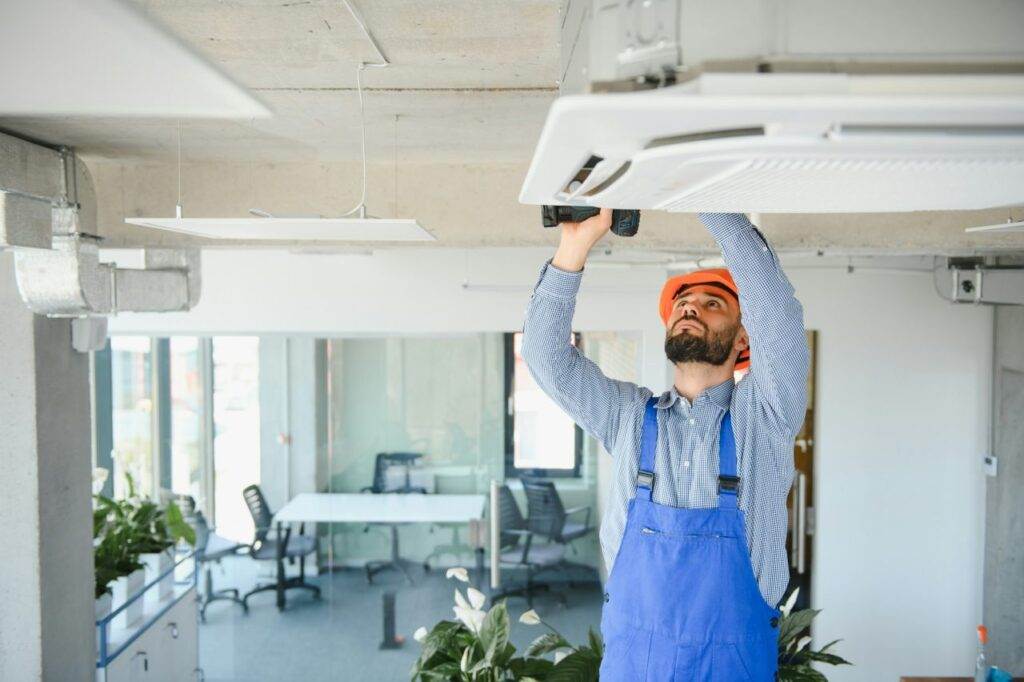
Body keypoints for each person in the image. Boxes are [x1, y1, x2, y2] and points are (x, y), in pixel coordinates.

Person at [520, 209, 809, 680]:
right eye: (683, 303)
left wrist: (696, 193)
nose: (691, 307)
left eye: (713, 303)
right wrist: (574, 245)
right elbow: (545, 357)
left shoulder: (766, 417)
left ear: (743, 339)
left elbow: (778, 313)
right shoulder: (629, 417)